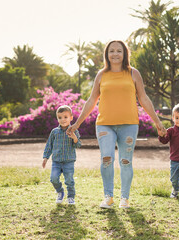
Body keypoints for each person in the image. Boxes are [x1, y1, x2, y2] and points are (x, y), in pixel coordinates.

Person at [67, 40, 165, 209]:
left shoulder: (134, 74)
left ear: (124, 53)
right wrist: (77, 124)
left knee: (125, 161)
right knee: (106, 159)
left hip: (129, 124)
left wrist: (157, 122)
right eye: (111, 51)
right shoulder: (101, 75)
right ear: (107, 54)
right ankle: (108, 196)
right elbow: (91, 101)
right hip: (105, 125)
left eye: (119, 51)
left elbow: (143, 99)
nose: (115, 54)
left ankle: (124, 198)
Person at [42, 105, 81, 205]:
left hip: (69, 161)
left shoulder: (74, 130)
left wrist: (74, 138)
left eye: (65, 117)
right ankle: (60, 191)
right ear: (57, 118)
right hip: (56, 161)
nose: (63, 120)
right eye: (60, 117)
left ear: (71, 117)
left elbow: (78, 145)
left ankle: (71, 197)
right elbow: (49, 145)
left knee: (69, 181)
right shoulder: (54, 132)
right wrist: (45, 157)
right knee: (53, 178)